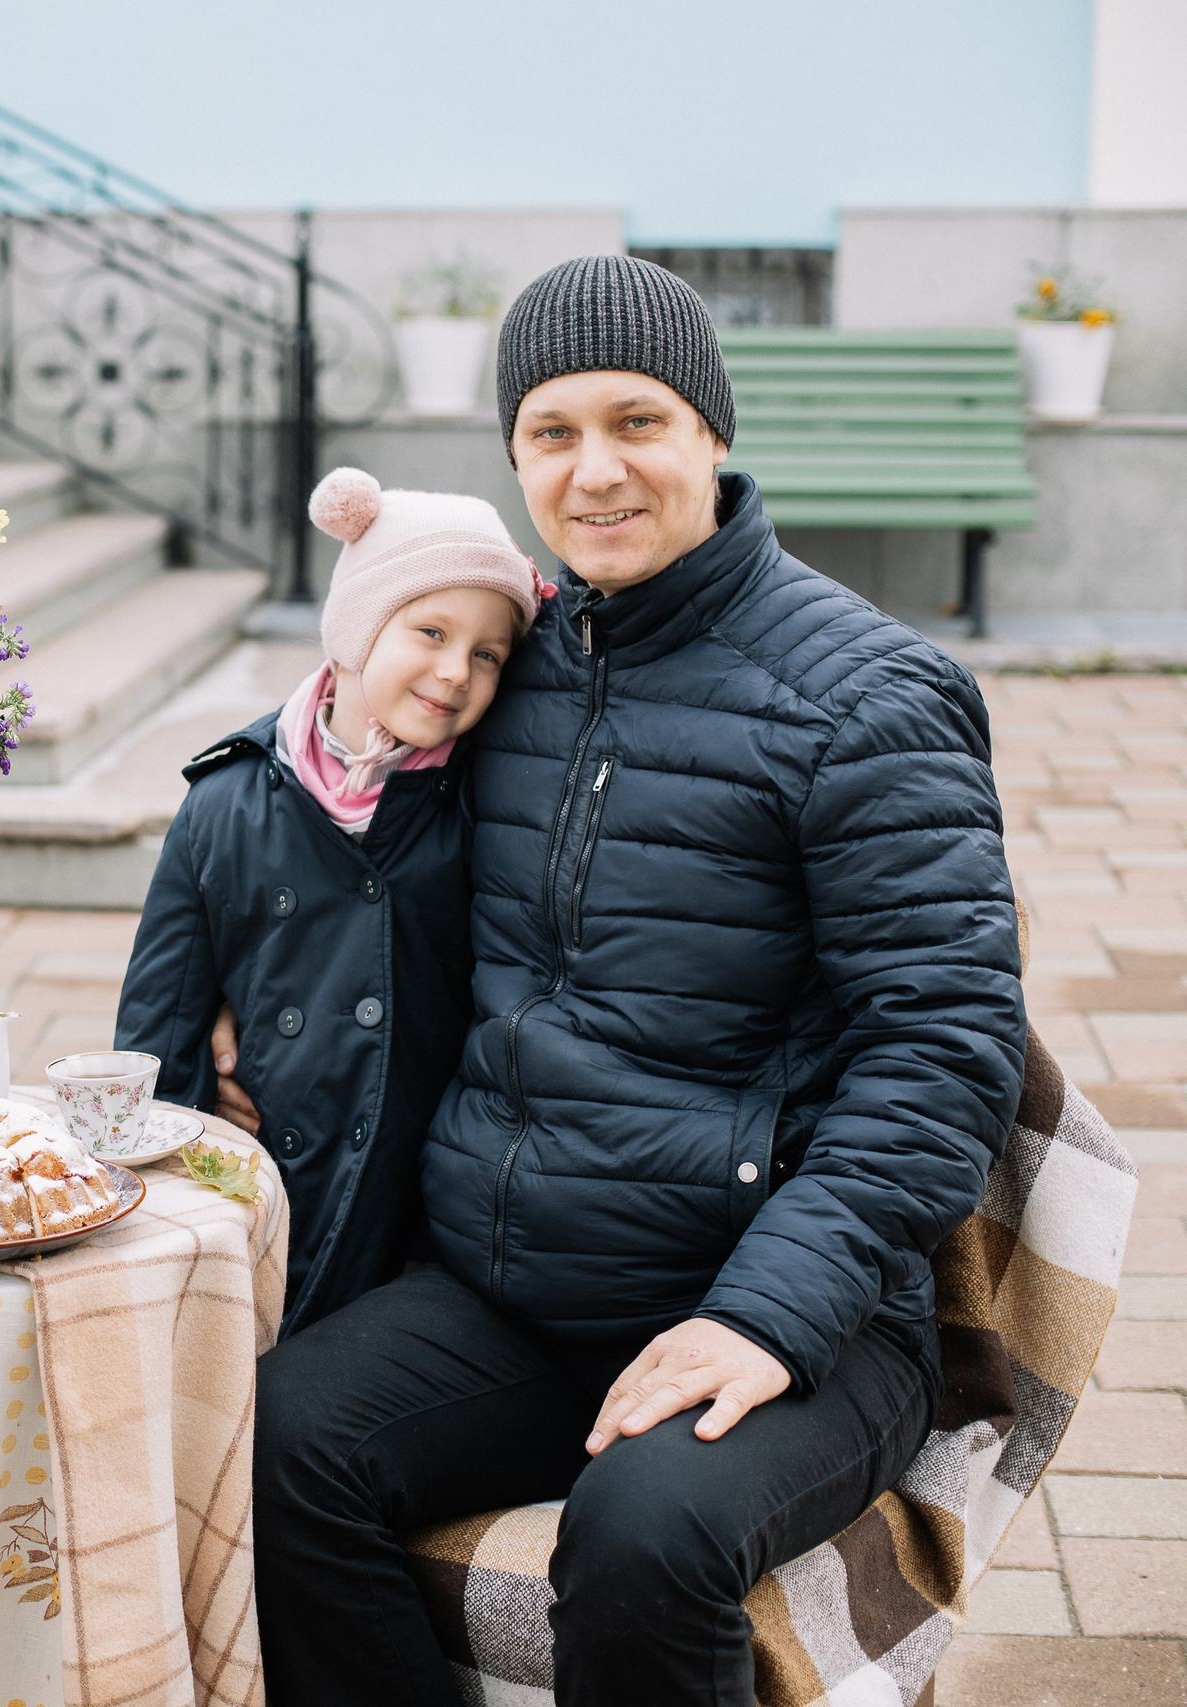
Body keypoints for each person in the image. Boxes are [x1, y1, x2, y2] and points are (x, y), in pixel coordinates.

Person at [244, 257, 1027, 1705]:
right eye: (552, 431)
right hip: (516, 1286)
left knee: (644, 1532)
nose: (595, 469)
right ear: (513, 459)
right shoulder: (515, 661)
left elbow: (944, 1047)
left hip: (799, 1308)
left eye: (638, 421)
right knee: (276, 1434)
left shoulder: (867, 695)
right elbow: (324, 776)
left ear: (712, 433)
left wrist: (764, 1314)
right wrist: (251, 988)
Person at [115, 469, 546, 1335]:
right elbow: (156, 1037)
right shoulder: (222, 806)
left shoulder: (485, 804)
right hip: (260, 1197)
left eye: (488, 652)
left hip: (420, 1216)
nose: (455, 670)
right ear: (356, 625)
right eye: (430, 630)